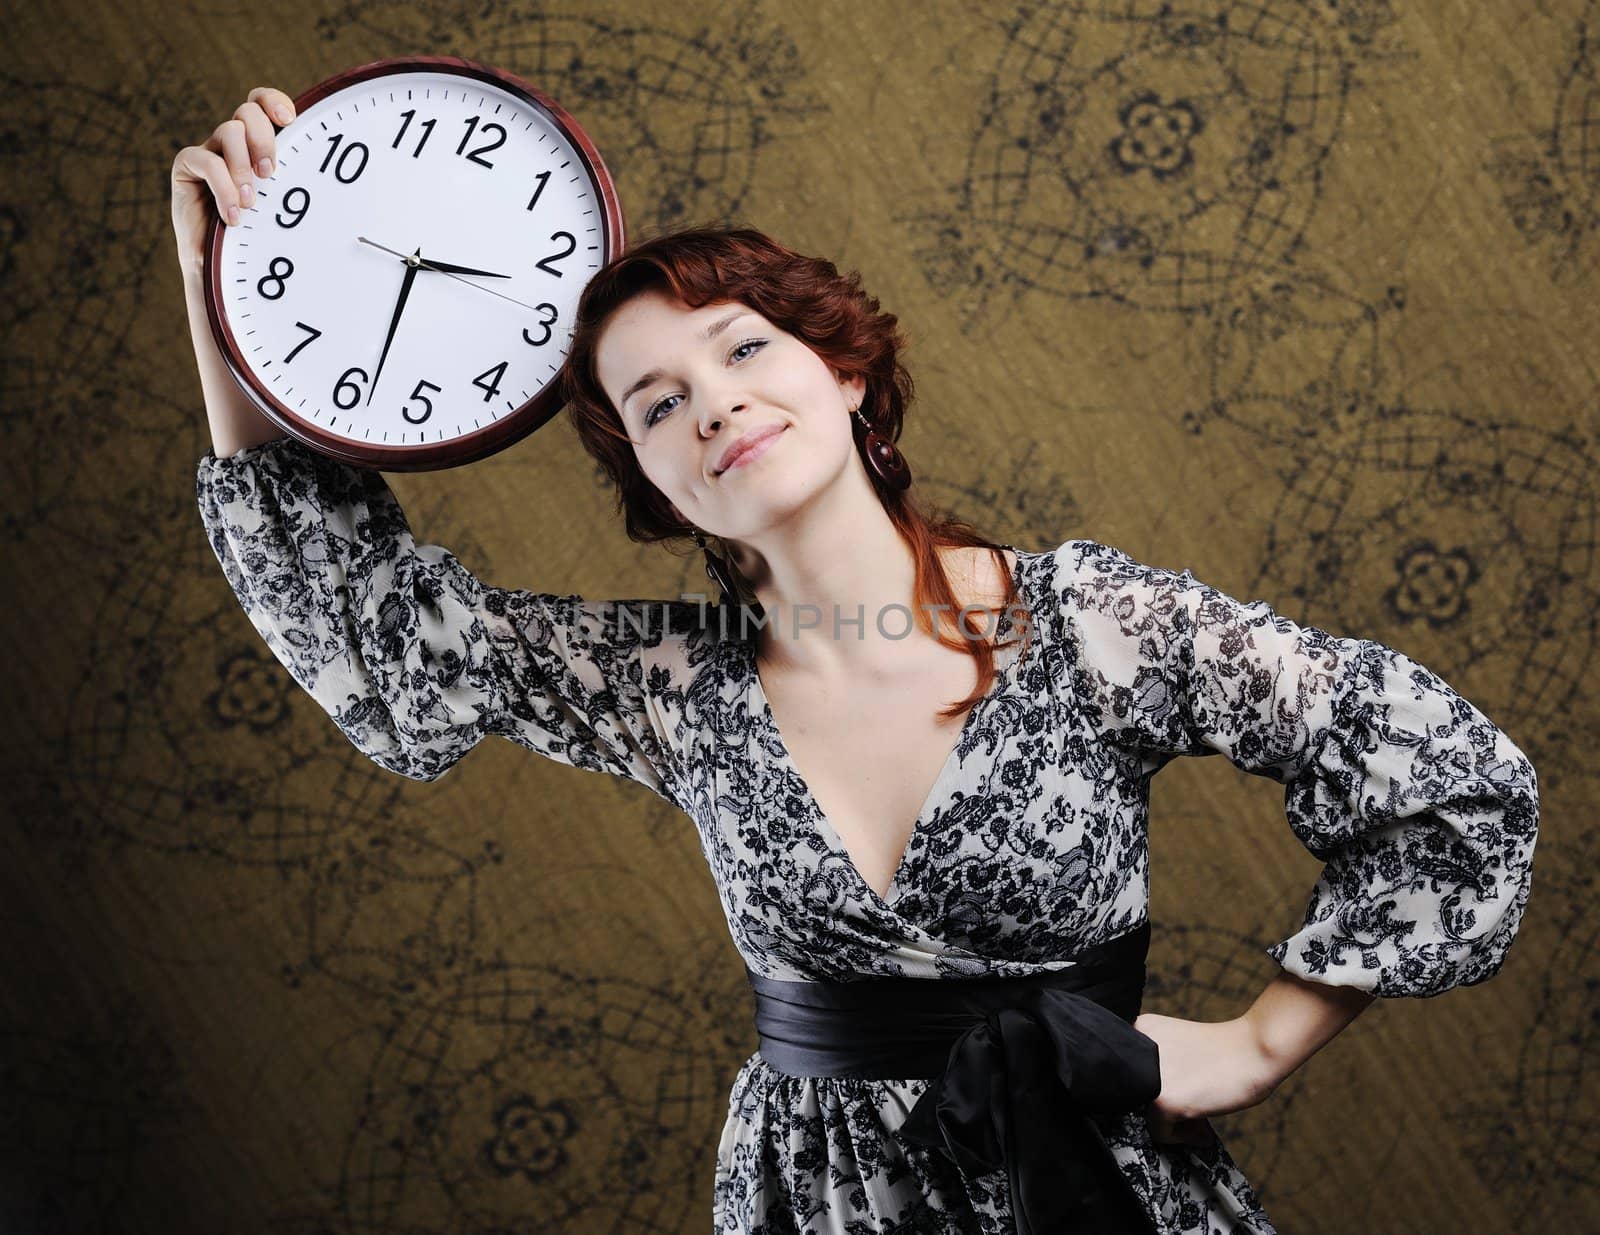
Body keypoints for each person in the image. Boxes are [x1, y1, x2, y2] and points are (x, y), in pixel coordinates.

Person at [174, 87, 1541, 1235]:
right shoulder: (671, 692)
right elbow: (366, 622)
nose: (713, 401)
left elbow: (1452, 781)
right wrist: (222, 287)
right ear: (655, 484)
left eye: (743, 347)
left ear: (838, 371)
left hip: (1107, 1193)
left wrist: (1255, 1046)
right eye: (658, 405)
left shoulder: (1095, 631)